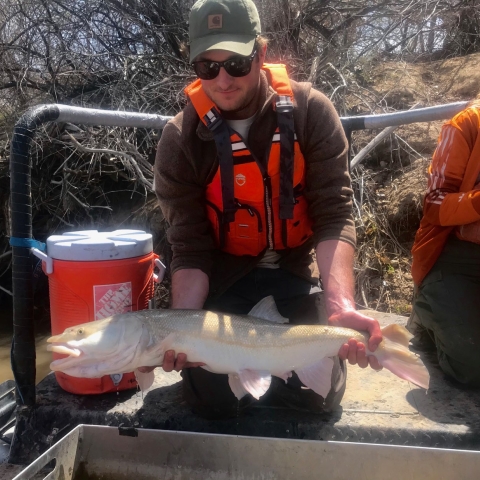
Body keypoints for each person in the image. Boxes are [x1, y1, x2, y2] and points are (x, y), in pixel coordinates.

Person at [150, 0, 382, 419]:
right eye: (207, 67)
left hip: (293, 275)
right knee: (210, 396)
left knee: (316, 394)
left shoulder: (312, 112)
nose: (222, 80)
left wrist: (340, 304)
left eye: (236, 63)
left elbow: (335, 215)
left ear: (260, 52)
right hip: (225, 278)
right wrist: (181, 326)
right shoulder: (179, 139)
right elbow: (189, 246)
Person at [408, 93, 480, 386]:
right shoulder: (468, 123)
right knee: (472, 367)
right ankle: (427, 310)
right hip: (457, 255)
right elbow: (434, 205)